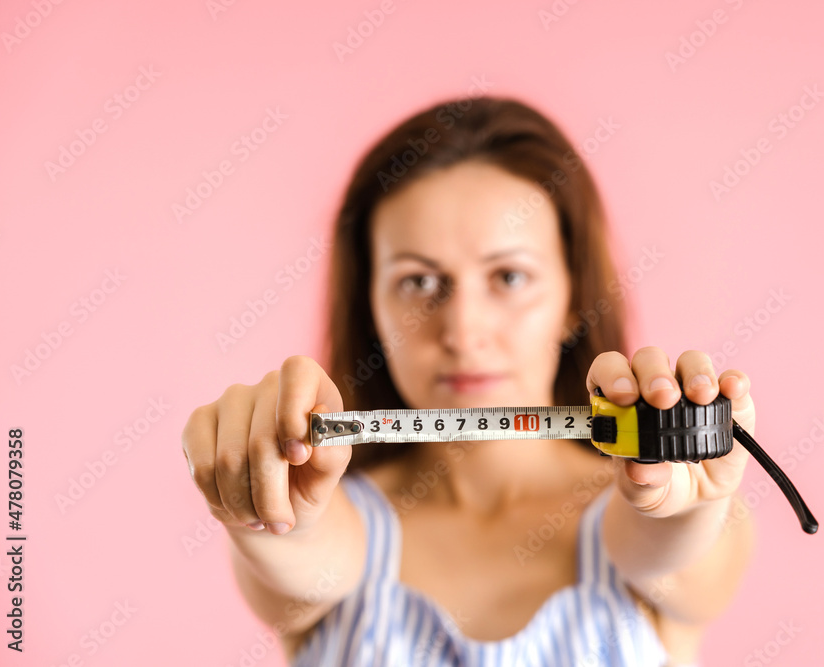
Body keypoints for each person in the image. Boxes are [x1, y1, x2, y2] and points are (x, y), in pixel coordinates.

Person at [181, 95, 756, 666]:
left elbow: (671, 552)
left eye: (510, 277)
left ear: (574, 299)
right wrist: (270, 501)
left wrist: (679, 504)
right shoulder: (333, 522)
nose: (462, 331)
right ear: (370, 309)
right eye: (418, 283)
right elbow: (305, 554)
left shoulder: (656, 518)